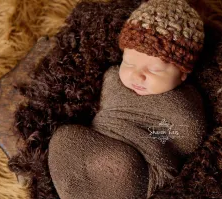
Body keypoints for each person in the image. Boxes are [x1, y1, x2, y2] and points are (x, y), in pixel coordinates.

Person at [48, 0, 206, 198]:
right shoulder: (112, 78)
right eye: (129, 63)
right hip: (98, 144)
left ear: (183, 73)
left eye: (154, 70)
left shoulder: (185, 103)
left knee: (120, 165)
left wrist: (157, 134)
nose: (137, 76)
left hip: (143, 168)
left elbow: (190, 138)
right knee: (64, 138)